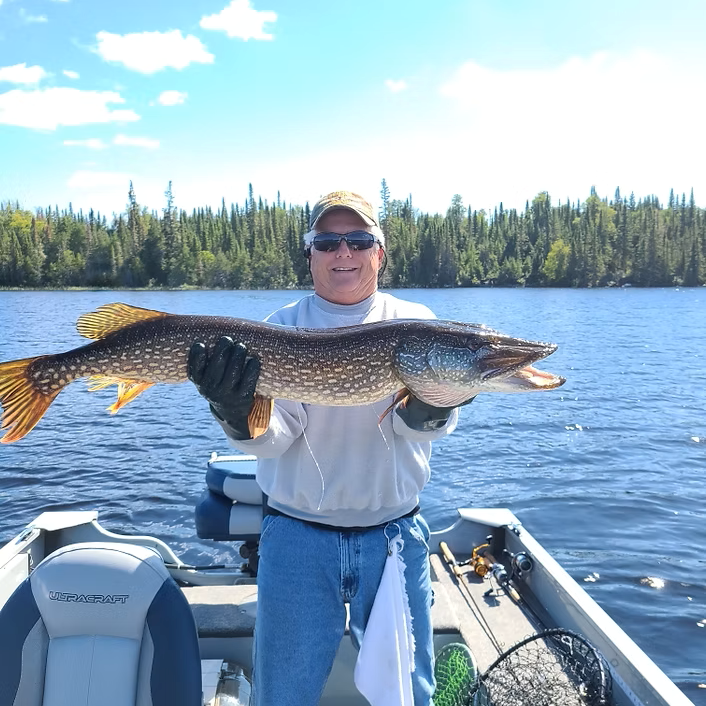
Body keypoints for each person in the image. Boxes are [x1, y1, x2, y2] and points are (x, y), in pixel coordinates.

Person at [188, 191, 471, 706]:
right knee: (282, 697)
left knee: (410, 696)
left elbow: (418, 432)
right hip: (296, 539)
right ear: (310, 254)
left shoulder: (415, 323)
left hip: (393, 538)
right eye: (327, 242)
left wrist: (437, 400)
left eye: (358, 240)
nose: (344, 251)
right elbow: (275, 437)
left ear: (379, 253)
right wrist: (233, 409)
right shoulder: (280, 328)